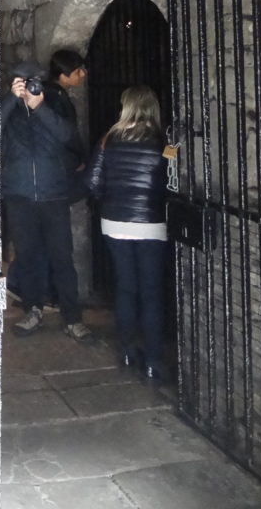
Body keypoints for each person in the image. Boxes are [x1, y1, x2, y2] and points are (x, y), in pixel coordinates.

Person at [0, 60, 93, 342]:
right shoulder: (9, 111)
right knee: (28, 258)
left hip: (53, 195)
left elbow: (68, 135)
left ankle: (72, 318)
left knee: (62, 258)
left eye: (32, 81)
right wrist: (9, 100)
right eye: (23, 82)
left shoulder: (55, 104)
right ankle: (33, 310)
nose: (29, 86)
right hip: (19, 196)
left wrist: (40, 106)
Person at [87, 85, 168, 383]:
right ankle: (153, 360)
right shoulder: (163, 141)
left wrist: (110, 201)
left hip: (115, 223)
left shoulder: (109, 139)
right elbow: (171, 182)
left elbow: (92, 182)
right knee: (151, 292)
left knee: (125, 287)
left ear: (126, 106)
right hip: (151, 223)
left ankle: (125, 350)